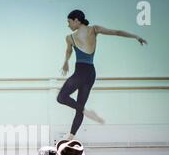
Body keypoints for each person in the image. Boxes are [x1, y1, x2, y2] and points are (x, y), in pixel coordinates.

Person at [57, 9, 148, 140]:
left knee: (61, 97)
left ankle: (86, 112)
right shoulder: (92, 30)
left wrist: (66, 62)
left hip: (81, 72)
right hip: (91, 73)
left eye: (69, 22)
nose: (68, 25)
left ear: (76, 20)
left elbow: (116, 32)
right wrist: (66, 62)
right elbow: (116, 32)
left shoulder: (72, 37)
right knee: (78, 106)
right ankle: (71, 136)